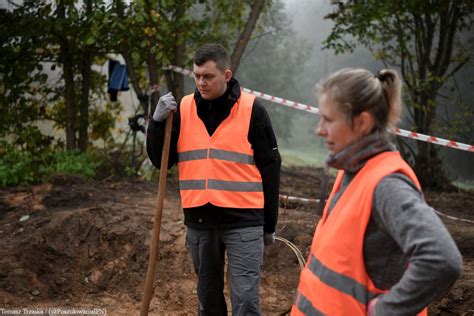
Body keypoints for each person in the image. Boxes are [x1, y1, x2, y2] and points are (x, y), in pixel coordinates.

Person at [291, 68, 463, 316]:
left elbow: (443, 260)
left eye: (328, 119)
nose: (320, 129)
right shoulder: (352, 170)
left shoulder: (387, 183)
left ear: (361, 122)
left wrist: (384, 311)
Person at [146, 43, 281, 315]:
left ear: (227, 76)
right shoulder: (183, 110)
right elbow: (162, 161)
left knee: (245, 301)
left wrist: (269, 224)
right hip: (200, 223)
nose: (200, 83)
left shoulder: (253, 110)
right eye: (196, 76)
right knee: (208, 301)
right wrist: (157, 123)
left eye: (208, 77)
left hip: (244, 222)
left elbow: (271, 167)